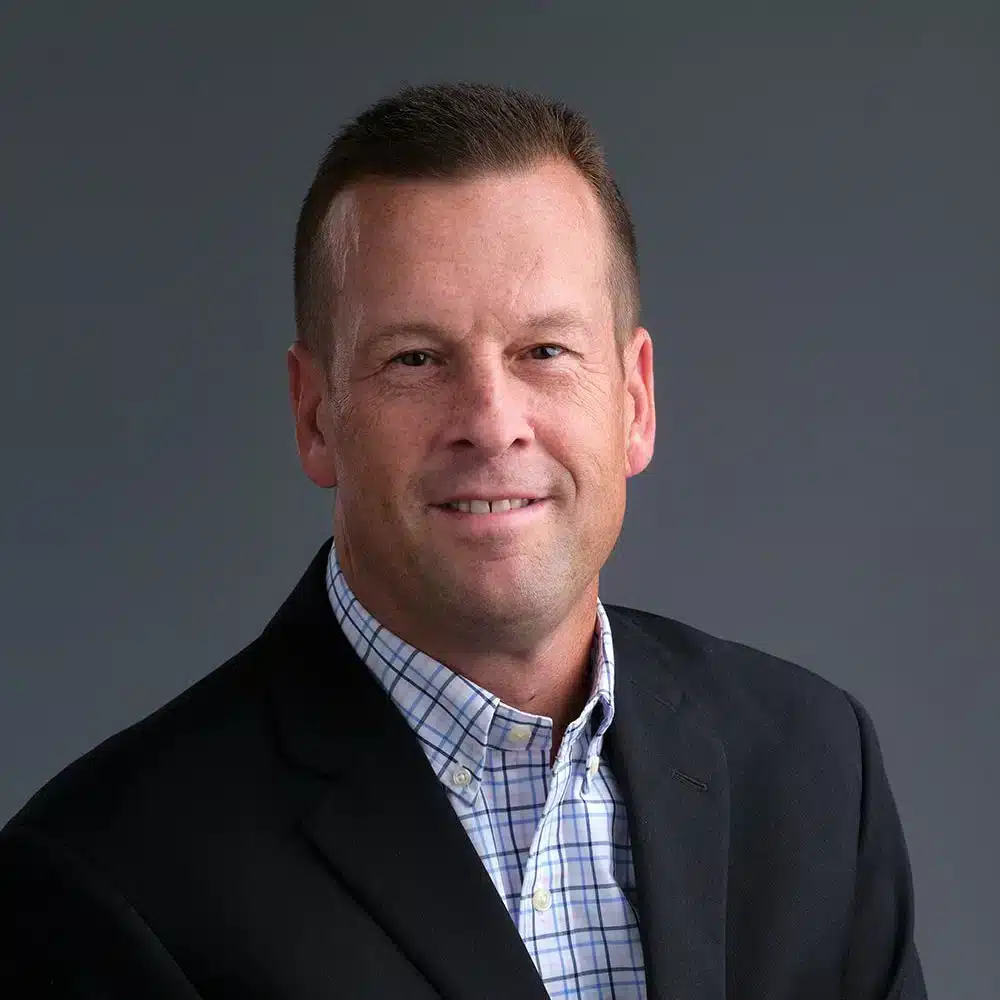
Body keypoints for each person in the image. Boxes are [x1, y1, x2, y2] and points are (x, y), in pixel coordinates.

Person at [0, 82, 927, 999]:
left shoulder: (812, 766)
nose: (491, 423)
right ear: (316, 414)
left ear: (635, 401)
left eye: (545, 351)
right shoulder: (111, 873)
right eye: (416, 359)